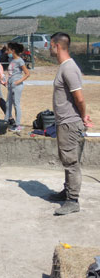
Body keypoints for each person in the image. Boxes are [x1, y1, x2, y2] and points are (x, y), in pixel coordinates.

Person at [48, 32, 92, 216]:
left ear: (55, 45)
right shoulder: (65, 67)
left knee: (71, 162)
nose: (48, 48)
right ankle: (67, 191)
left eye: (49, 45)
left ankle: (73, 200)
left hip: (70, 123)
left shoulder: (68, 68)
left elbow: (79, 98)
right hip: (64, 122)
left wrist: (83, 116)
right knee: (66, 160)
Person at [4, 42, 30, 132]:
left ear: (13, 50)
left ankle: (17, 125)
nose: (7, 52)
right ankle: (5, 121)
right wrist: (7, 80)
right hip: (10, 85)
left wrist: (18, 81)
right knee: (8, 104)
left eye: (8, 50)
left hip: (17, 86)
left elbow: (27, 74)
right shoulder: (11, 59)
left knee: (16, 104)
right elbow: (11, 73)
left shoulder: (20, 61)